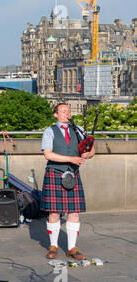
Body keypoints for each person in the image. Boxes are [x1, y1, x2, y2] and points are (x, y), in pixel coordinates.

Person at [40, 103, 95, 260]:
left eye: (68, 111)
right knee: (54, 212)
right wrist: (71, 158)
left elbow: (91, 148)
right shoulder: (50, 131)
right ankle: (53, 246)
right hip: (55, 173)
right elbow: (48, 154)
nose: (67, 113)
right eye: (63, 111)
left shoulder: (77, 129)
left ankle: (72, 248)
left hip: (73, 174)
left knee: (74, 212)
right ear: (56, 115)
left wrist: (88, 155)